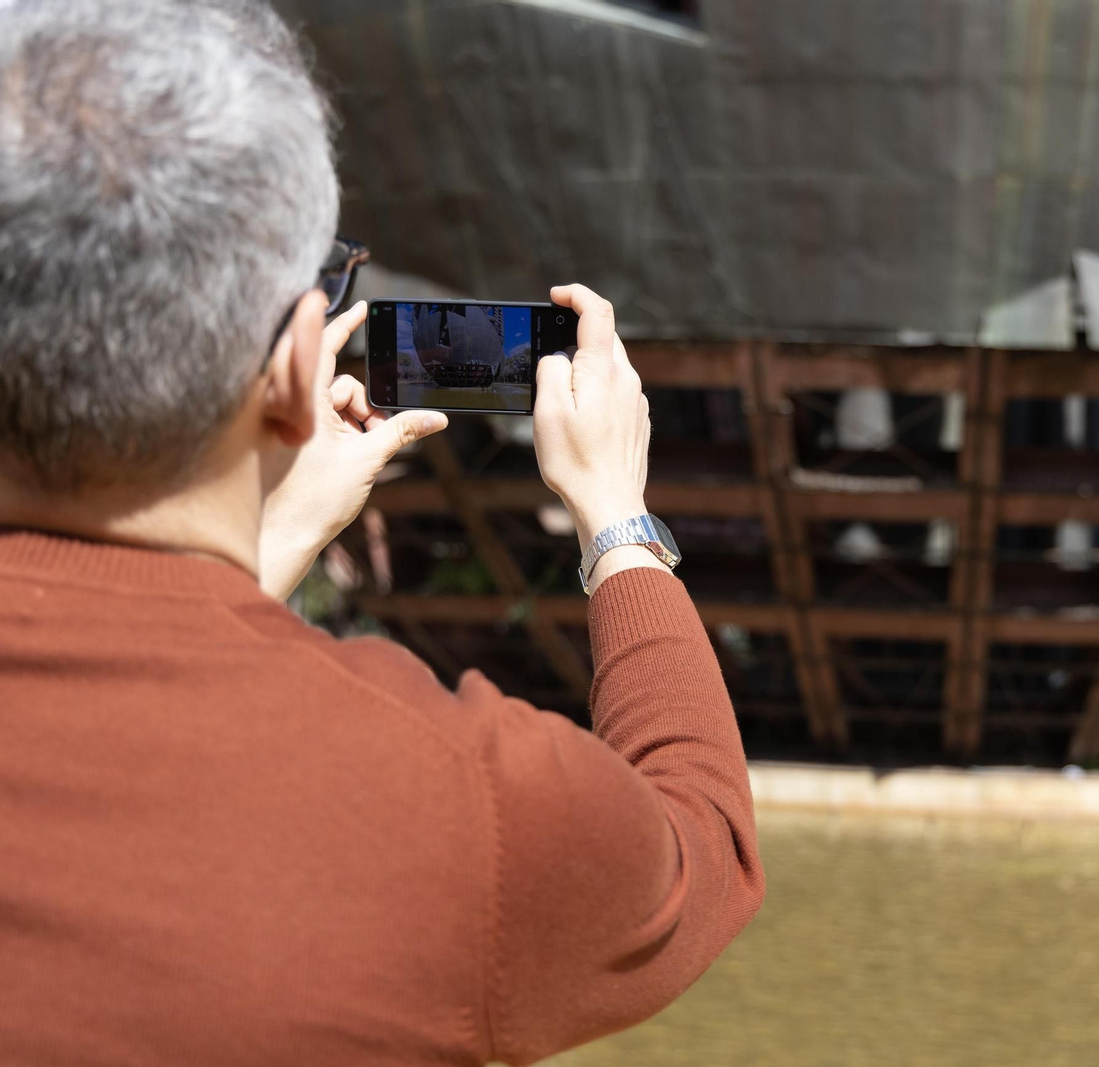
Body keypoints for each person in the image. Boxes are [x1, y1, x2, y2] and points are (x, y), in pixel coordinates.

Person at [0, 1, 763, 1064]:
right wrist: (617, 519)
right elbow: (700, 854)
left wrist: (263, 553)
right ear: (296, 366)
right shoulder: (455, 794)